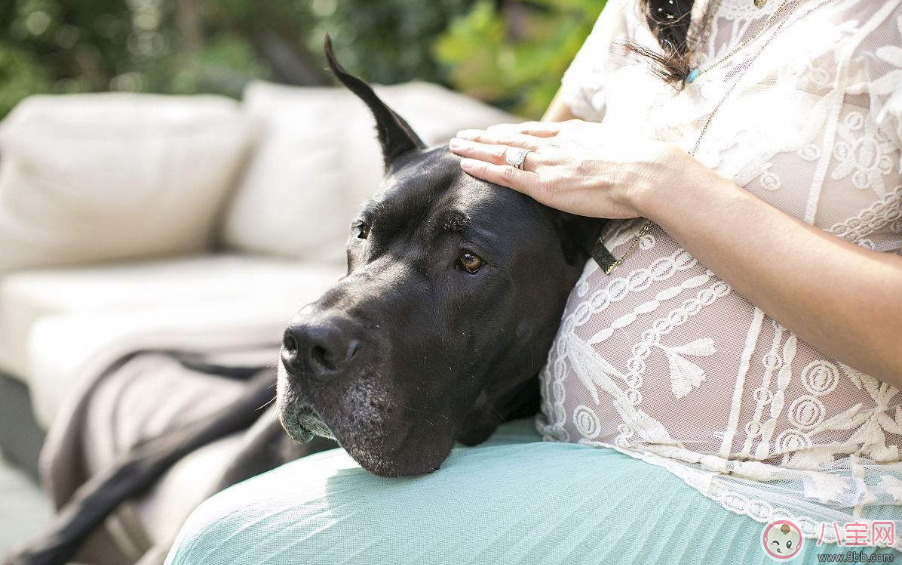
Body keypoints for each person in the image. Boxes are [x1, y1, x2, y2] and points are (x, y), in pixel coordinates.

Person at [167, 0, 902, 562]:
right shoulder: (650, 9)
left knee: (235, 543)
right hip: (562, 438)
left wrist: (663, 181)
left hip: (798, 496)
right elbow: (510, 185)